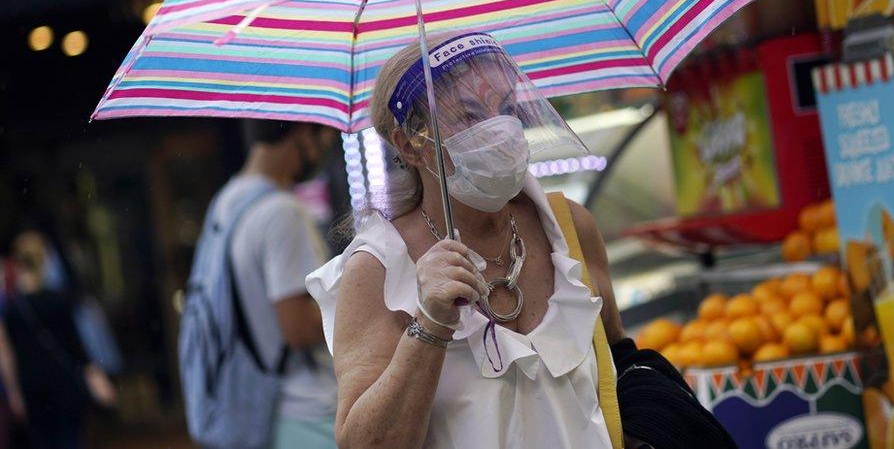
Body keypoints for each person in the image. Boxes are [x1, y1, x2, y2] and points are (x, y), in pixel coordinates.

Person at [306, 32, 630, 448]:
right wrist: (430, 323)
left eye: (508, 108)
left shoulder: (569, 227)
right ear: (410, 144)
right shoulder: (377, 271)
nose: (501, 129)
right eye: (470, 115)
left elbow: (618, 360)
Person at [207, 120, 339, 447]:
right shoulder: (283, 212)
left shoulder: (226, 202)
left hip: (256, 406)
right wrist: (353, 301)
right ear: (302, 134)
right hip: (307, 411)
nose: (322, 150)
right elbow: (296, 328)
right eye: (323, 137)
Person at [3, 230, 116, 449]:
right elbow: (76, 346)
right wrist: (93, 373)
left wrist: (14, 391)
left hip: (32, 386)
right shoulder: (59, 301)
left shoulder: (12, 309)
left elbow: (9, 354)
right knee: (69, 440)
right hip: (63, 382)